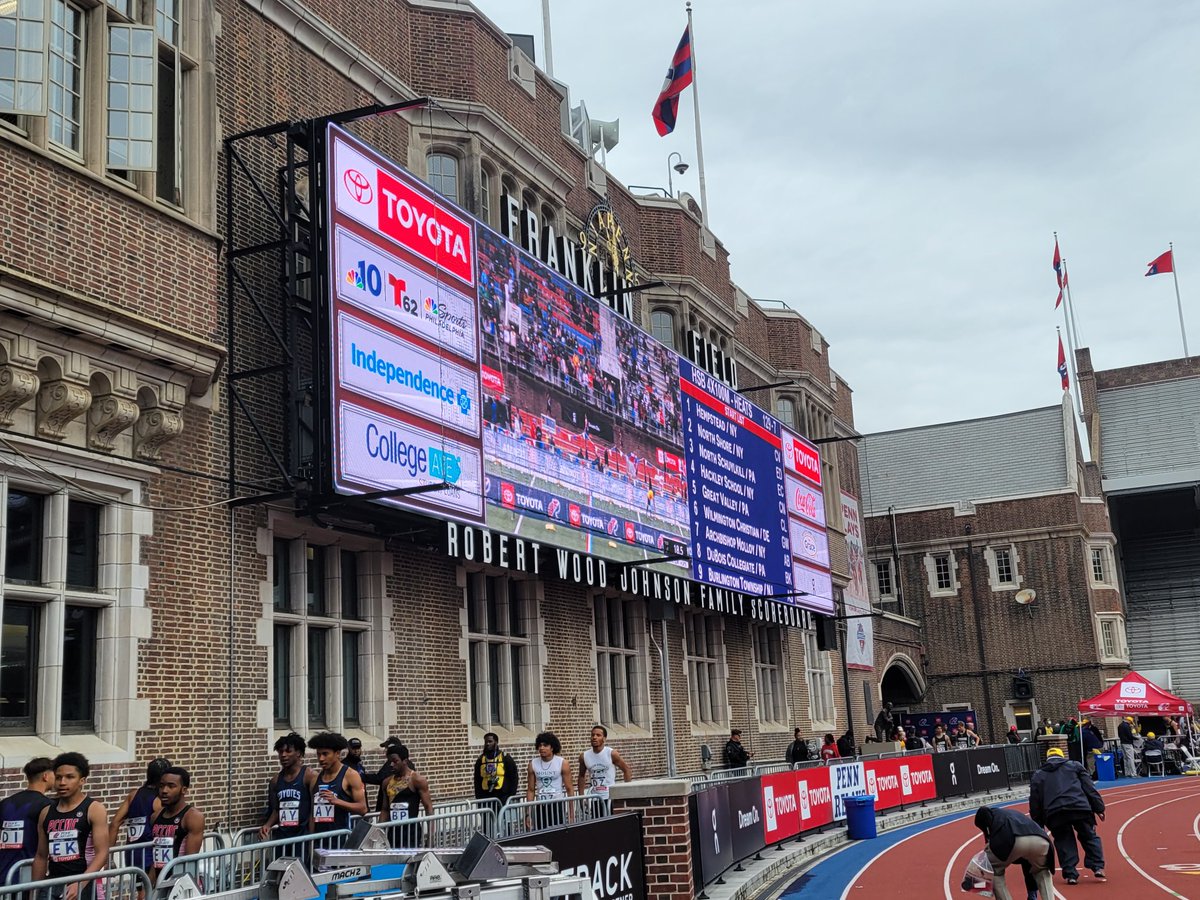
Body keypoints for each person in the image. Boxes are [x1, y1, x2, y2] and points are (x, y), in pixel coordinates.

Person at [32, 752, 110, 900]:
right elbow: (41, 856)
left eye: (69, 777)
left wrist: (80, 882)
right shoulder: (45, 812)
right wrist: (33, 891)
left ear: (82, 780)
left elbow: (102, 853)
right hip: (53, 883)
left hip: (84, 883)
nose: (62, 782)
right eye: (59, 777)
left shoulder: (94, 809)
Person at [1029, 746, 1105, 885]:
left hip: (1055, 812)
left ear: (1047, 758)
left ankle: (1071, 874)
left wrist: (1037, 823)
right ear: (1062, 756)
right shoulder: (1075, 766)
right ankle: (1097, 866)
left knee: (1064, 841)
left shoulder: (1038, 774)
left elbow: (1035, 801)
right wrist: (1099, 808)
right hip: (1079, 807)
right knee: (1089, 836)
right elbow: (1089, 788)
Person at [972, 805, 1055, 900]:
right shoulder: (1008, 813)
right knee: (1042, 871)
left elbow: (993, 846)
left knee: (994, 871)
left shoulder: (991, 822)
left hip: (1013, 839)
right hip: (1041, 840)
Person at [109, 757, 171, 870]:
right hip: (152, 857)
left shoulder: (133, 795)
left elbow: (114, 824)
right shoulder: (160, 801)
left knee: (138, 887)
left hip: (131, 855)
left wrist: (110, 858)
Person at [0, 757, 54, 885]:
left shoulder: (5, 803)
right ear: (46, 776)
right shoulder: (47, 806)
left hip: (4, 873)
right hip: (28, 877)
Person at [147, 767, 205, 887]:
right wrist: (148, 885)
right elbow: (156, 857)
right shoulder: (155, 816)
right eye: (161, 785)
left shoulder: (192, 817)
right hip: (160, 884)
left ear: (183, 790)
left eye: (171, 786)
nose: (164, 790)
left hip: (182, 886)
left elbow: (190, 860)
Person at [260, 732, 317, 840]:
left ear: (298, 753)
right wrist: (267, 825)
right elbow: (276, 810)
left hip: (302, 836)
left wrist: (312, 836)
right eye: (281, 752)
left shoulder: (309, 776)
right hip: (283, 837)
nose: (283, 755)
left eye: (288, 751)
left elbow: (315, 809)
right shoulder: (275, 781)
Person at [308, 732, 368, 833]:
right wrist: (310, 840)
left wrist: (336, 801)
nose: (321, 759)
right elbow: (313, 813)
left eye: (325, 754)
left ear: (337, 753)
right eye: (318, 754)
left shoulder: (350, 775)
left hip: (341, 840)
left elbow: (363, 808)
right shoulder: (315, 779)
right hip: (319, 841)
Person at [377, 745, 431, 847]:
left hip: (411, 831)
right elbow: (384, 809)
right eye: (389, 761)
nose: (391, 764)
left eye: (395, 761)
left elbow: (428, 807)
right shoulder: (386, 782)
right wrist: (380, 832)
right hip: (393, 831)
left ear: (405, 761)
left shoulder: (417, 780)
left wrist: (431, 837)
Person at [526, 732, 573, 830]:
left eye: (545, 745)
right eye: (540, 745)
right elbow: (530, 790)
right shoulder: (533, 764)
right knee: (541, 834)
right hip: (541, 806)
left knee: (557, 833)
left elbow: (569, 789)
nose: (541, 748)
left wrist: (571, 813)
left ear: (552, 747)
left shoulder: (562, 763)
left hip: (557, 805)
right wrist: (528, 814)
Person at [577, 725, 633, 795]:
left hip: (610, 796)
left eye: (598, 735)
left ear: (604, 739)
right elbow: (581, 776)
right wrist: (582, 798)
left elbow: (626, 770)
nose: (594, 737)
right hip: (595, 798)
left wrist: (627, 792)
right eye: (592, 735)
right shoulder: (584, 756)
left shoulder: (611, 753)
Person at [473, 732, 520, 806]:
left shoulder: (505, 758)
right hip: (485, 796)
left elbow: (514, 777)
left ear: (496, 742)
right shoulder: (481, 759)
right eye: (486, 742)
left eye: (490, 741)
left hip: (502, 797)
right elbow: (477, 779)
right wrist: (479, 798)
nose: (487, 744)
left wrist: (511, 795)